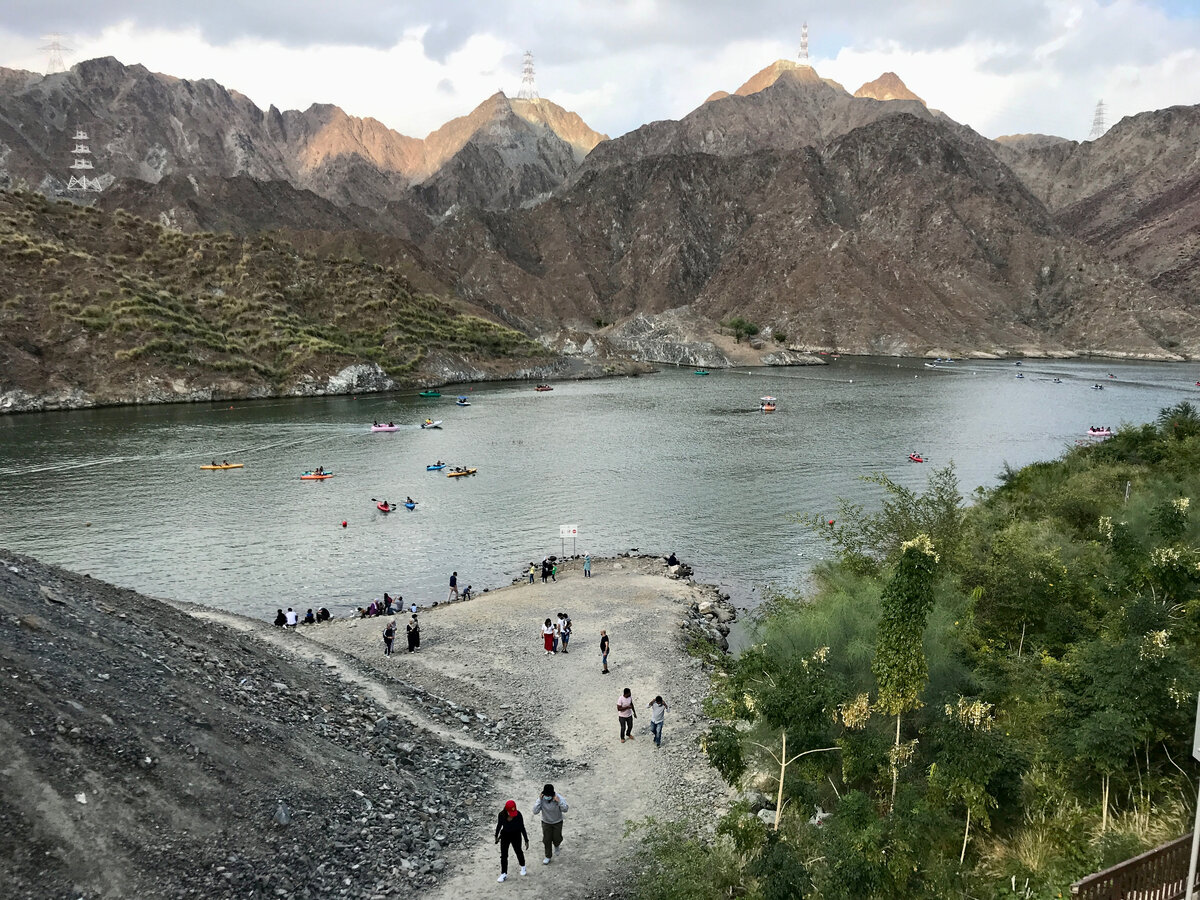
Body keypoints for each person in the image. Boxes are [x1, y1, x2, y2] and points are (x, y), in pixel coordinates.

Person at [532, 785, 568, 864]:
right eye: (546, 795)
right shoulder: (541, 799)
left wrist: (559, 802)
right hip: (546, 822)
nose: (547, 797)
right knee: (546, 840)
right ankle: (548, 856)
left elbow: (565, 809)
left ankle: (556, 844)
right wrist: (539, 800)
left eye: (549, 795)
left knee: (557, 837)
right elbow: (535, 811)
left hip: (557, 822)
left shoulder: (558, 798)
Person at [495, 799, 529, 882]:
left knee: (518, 851)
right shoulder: (501, 815)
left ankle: (523, 866)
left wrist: (526, 840)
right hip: (505, 835)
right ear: (506, 810)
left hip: (516, 835)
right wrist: (496, 835)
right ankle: (503, 873)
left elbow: (522, 827)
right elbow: (499, 825)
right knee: (504, 855)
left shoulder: (518, 815)